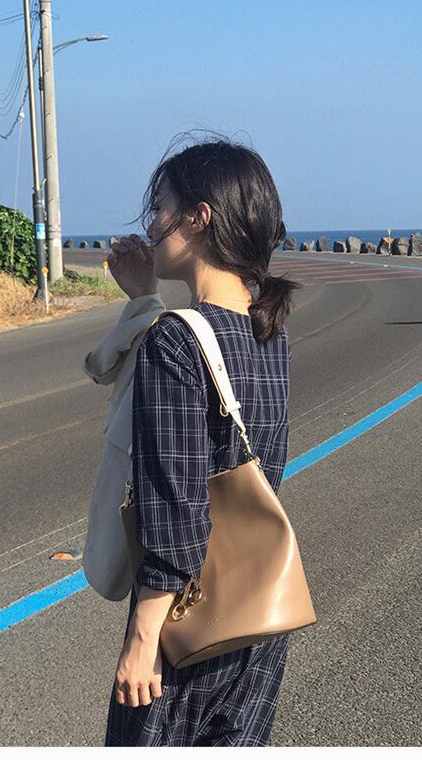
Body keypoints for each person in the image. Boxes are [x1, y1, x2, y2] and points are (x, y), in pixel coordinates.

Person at [104, 134, 303, 747]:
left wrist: (144, 639)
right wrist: (145, 297)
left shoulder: (175, 342)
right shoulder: (269, 334)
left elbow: (178, 507)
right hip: (257, 616)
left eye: (160, 207)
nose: (151, 225)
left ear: (199, 217)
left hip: (188, 624)